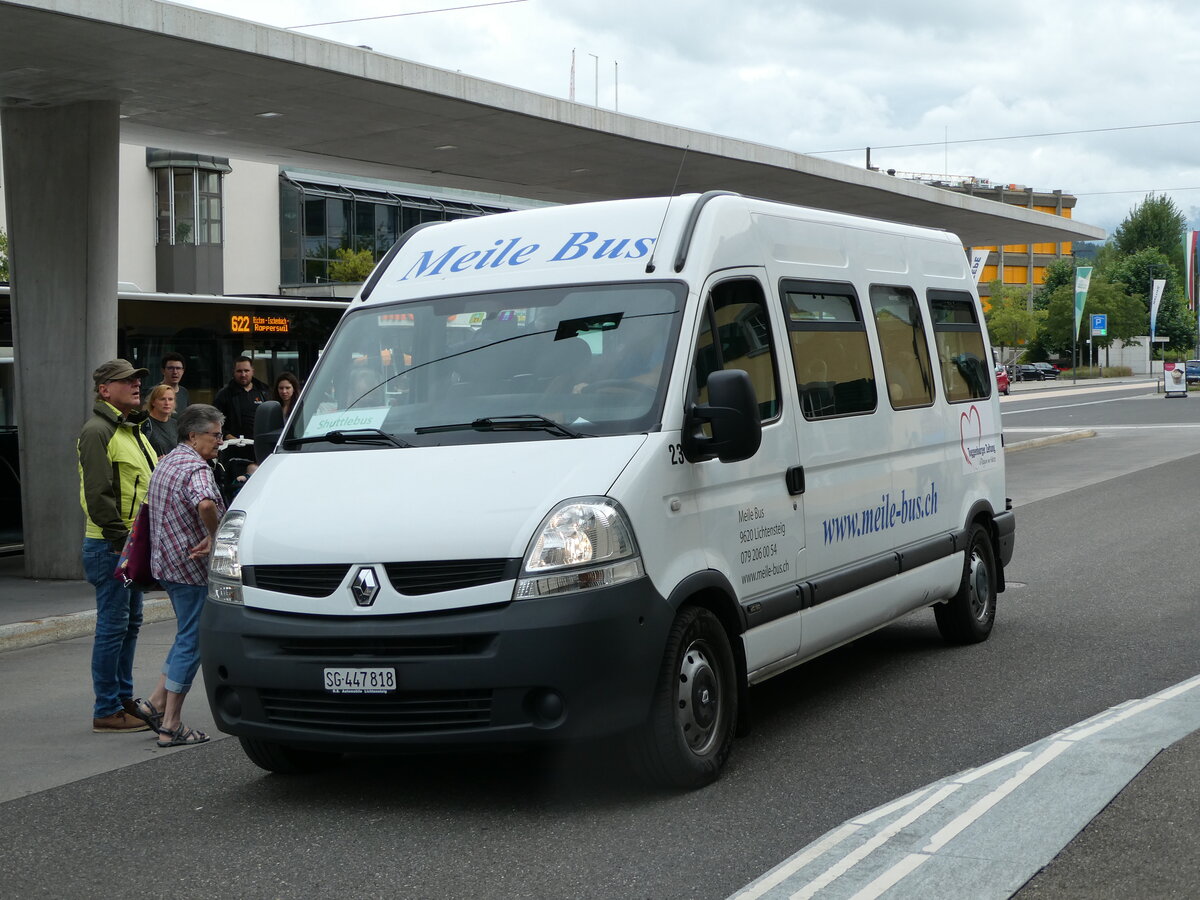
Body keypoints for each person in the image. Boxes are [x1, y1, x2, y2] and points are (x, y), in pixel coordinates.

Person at [128, 404, 226, 748]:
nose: (220, 441)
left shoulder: (169, 460)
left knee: (185, 634)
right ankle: (170, 725)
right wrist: (215, 536)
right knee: (192, 640)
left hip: (165, 564)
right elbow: (205, 505)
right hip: (190, 569)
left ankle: (155, 703)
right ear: (193, 435)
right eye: (215, 435)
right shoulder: (196, 468)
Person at [78, 358, 158, 734]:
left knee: (129, 623)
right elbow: (97, 494)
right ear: (104, 390)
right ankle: (107, 709)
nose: (136, 385)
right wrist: (120, 543)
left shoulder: (133, 428)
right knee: (114, 626)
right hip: (112, 547)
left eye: (138, 380)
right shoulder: (98, 431)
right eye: (127, 381)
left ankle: (122, 700)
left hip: (130, 546)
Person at [213, 356, 269, 439]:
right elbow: (214, 421)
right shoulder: (224, 394)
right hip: (234, 445)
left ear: (252, 371)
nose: (243, 375)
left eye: (246, 371)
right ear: (233, 372)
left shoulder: (264, 392)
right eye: (239, 371)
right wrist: (229, 437)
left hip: (259, 444)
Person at [141, 384, 179, 457]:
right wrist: (155, 459)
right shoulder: (144, 424)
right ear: (153, 402)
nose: (167, 403)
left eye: (170, 399)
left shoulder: (175, 424)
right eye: (162, 399)